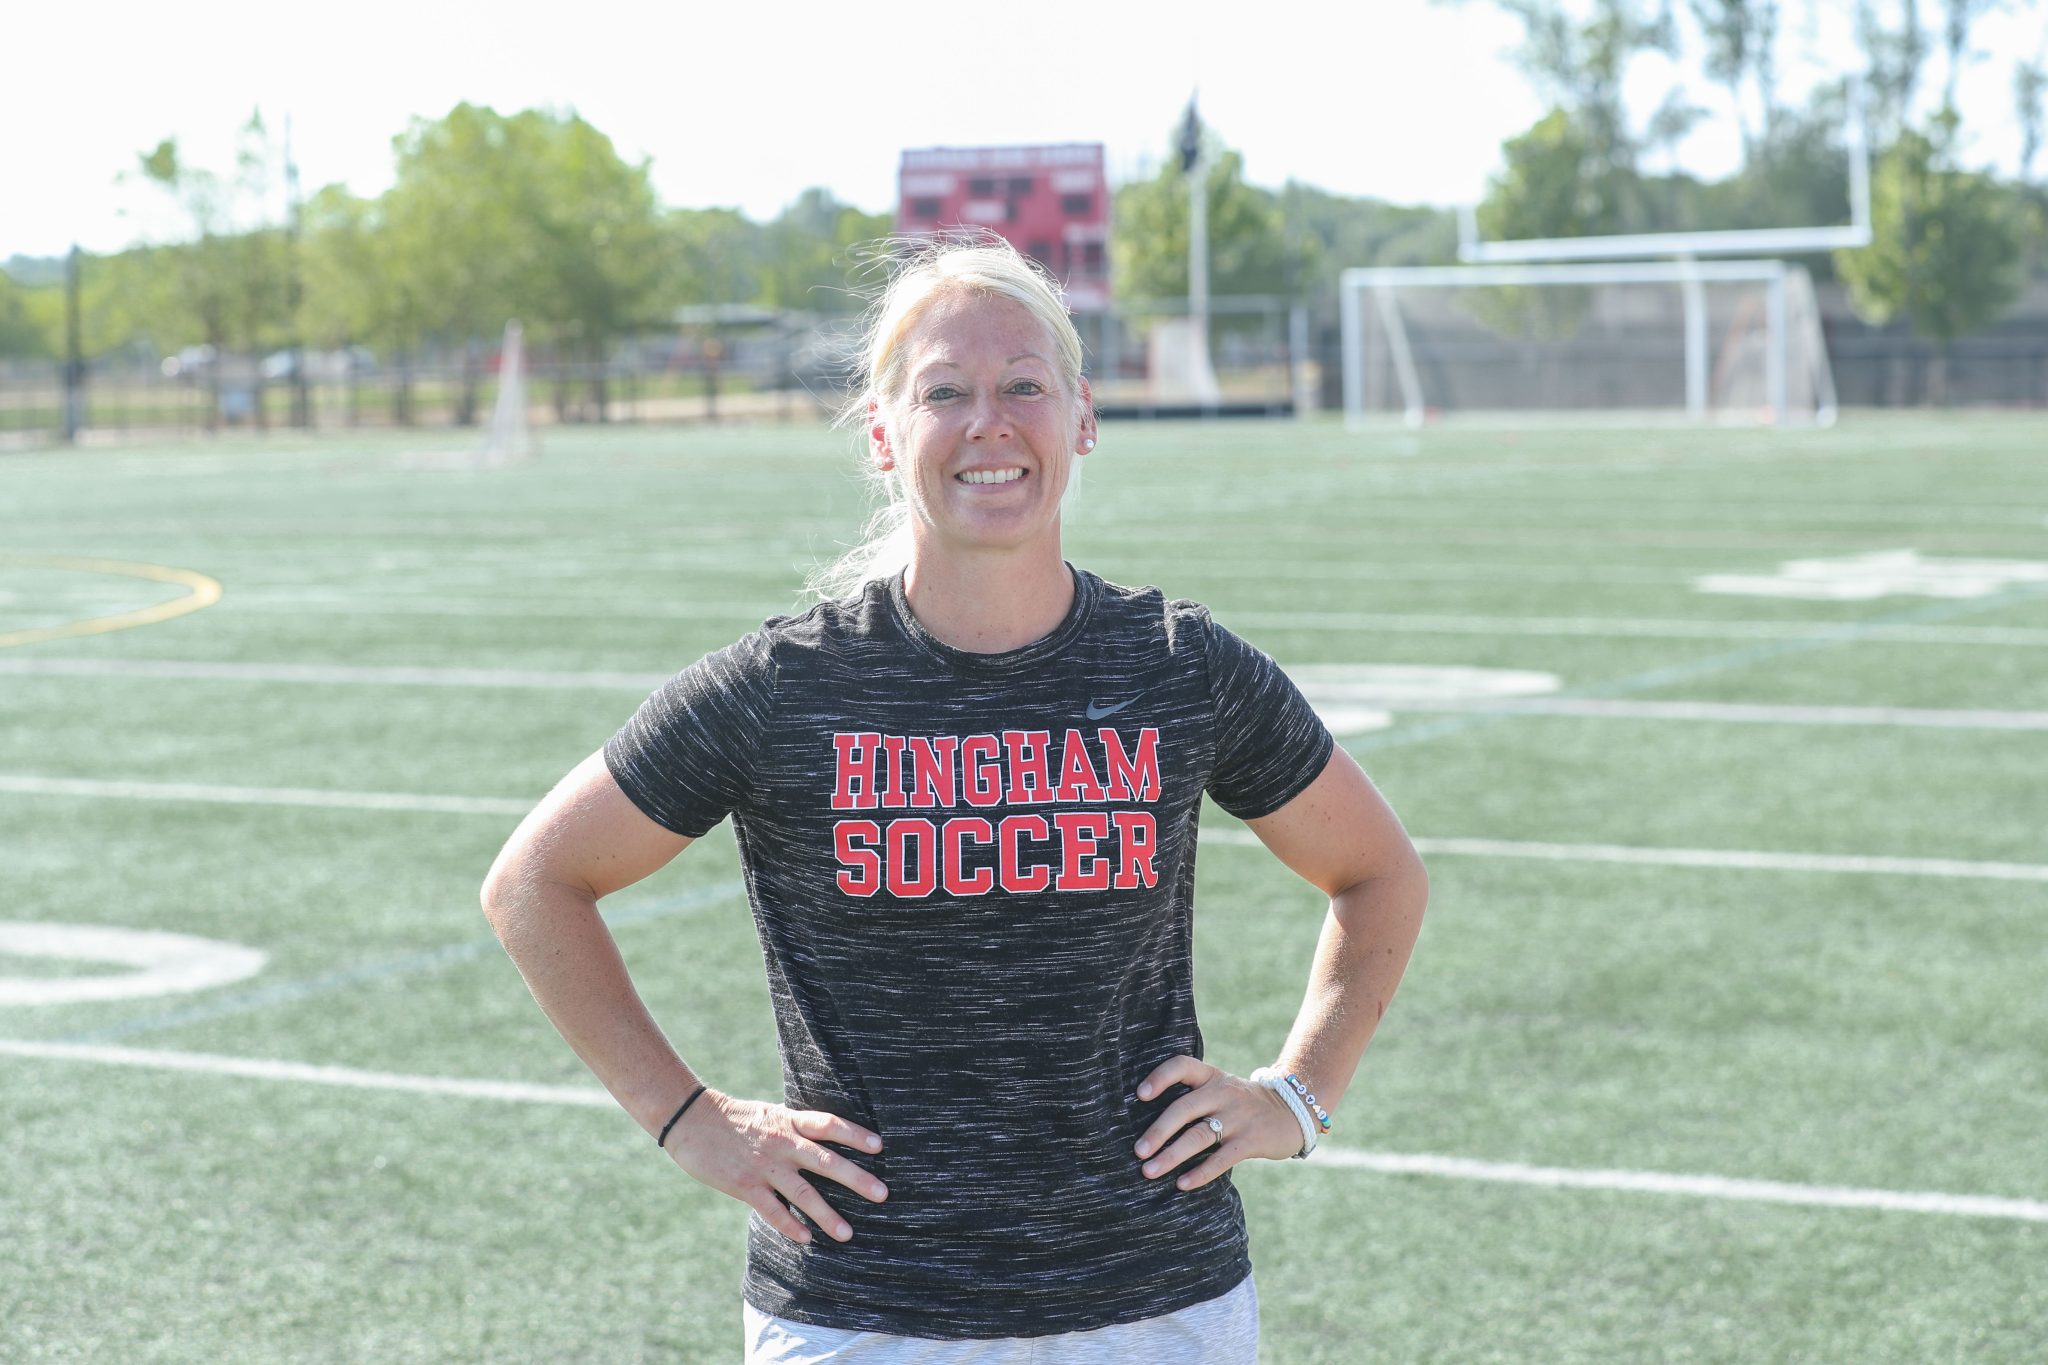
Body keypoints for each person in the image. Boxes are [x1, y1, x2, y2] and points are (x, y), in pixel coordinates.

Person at [480, 238, 1428, 1361]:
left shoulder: (1178, 667)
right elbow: (535, 883)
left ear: (1081, 417)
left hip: (1153, 1299)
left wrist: (1298, 1096)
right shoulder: (786, 687)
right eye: (945, 392)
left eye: (1024, 385)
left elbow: (1377, 876)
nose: (989, 422)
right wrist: (690, 1121)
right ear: (882, 435)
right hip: (863, 1310)